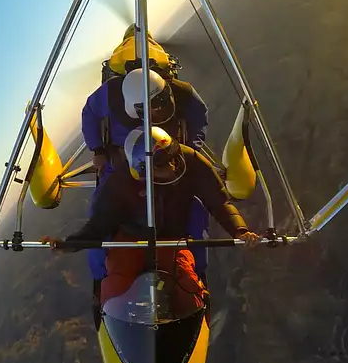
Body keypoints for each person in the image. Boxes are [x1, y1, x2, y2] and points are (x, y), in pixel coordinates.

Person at [43, 126, 260, 320]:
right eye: (163, 164)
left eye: (172, 156)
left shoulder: (190, 161)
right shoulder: (119, 183)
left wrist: (239, 230)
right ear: (143, 171)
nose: (173, 165)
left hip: (172, 240)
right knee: (116, 288)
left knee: (189, 288)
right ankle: (121, 324)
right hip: (130, 240)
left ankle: (188, 326)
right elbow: (98, 226)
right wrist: (67, 245)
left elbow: (219, 201)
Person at [81, 62, 212, 297]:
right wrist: (98, 150)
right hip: (123, 165)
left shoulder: (181, 91)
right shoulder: (111, 94)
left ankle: (196, 272)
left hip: (168, 160)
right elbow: (90, 112)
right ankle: (102, 280)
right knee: (100, 213)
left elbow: (199, 115)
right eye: (153, 107)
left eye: (163, 101)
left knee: (195, 208)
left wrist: (191, 149)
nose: (160, 110)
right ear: (136, 109)